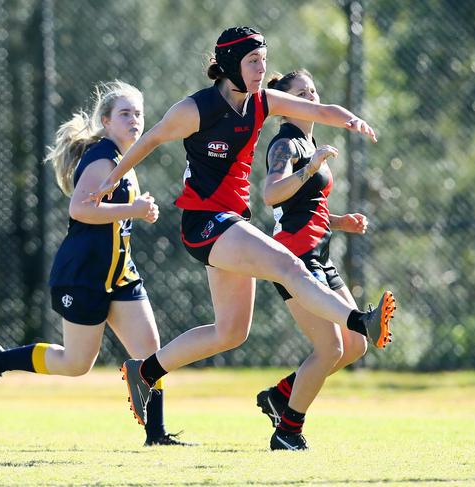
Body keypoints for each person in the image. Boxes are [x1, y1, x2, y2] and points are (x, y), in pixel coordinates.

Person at [86, 27, 396, 451]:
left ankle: (145, 373)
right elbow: (152, 139)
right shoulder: (196, 108)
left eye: (264, 61)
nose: (261, 70)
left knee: (231, 332)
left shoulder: (262, 102)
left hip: (231, 221)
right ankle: (360, 321)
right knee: (288, 264)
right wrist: (110, 178)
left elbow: (323, 110)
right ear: (231, 63)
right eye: (253, 62)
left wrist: (350, 120)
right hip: (204, 221)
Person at [0, 80, 187, 447]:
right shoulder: (103, 156)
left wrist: (134, 209)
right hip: (85, 274)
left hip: (120, 274)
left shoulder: (125, 159)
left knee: (151, 352)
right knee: (76, 363)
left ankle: (157, 434)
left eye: (138, 113)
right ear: (106, 121)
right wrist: (134, 208)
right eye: (125, 114)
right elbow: (80, 208)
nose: (134, 120)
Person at [253, 69, 385, 450]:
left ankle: (282, 395)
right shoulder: (286, 145)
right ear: (285, 105)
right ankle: (288, 432)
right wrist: (310, 167)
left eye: (313, 88)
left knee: (356, 344)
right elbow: (271, 194)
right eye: (301, 92)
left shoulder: (311, 142)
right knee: (331, 348)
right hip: (293, 257)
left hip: (319, 254)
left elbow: (305, 206)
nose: (311, 95)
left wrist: (339, 221)